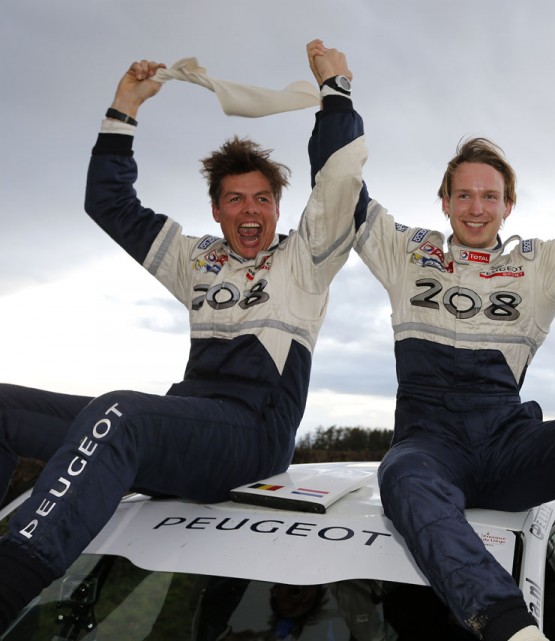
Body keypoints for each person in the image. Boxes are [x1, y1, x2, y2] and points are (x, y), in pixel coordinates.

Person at [306, 40, 555, 641]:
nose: (475, 207)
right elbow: (338, 189)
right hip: (432, 449)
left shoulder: (538, 268)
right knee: (400, 475)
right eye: (463, 194)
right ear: (444, 200)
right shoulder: (406, 252)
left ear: (508, 205)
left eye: (489, 195)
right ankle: (514, 630)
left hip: (507, 446)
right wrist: (336, 95)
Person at [0, 46, 361, 629]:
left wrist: (336, 89)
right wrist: (125, 106)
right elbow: (109, 204)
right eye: (236, 200)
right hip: (187, 424)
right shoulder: (198, 260)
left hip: (254, 438)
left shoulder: (305, 258)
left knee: (122, 414)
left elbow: (341, 177)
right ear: (217, 211)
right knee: (5, 408)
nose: (251, 212)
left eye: (263, 199)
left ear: (278, 207)